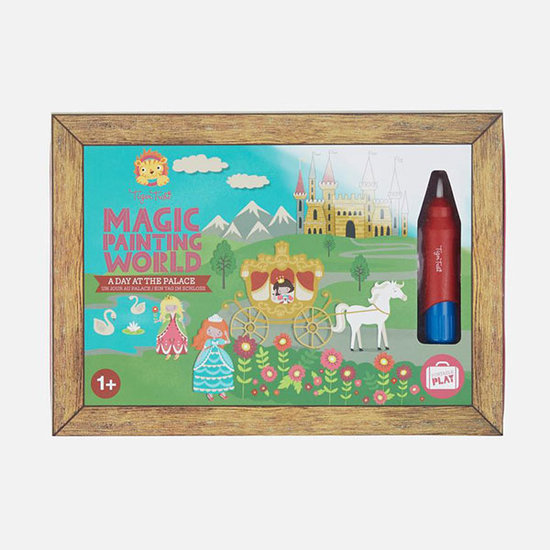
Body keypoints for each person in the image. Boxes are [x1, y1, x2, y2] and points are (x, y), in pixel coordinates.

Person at [191, 314, 234, 401]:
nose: (214, 333)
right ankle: (209, 392)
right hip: (208, 356)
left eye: (218, 332)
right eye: (210, 330)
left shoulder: (219, 340)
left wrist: (226, 337)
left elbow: (227, 341)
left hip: (219, 356)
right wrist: (201, 356)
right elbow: (204, 347)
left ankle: (221, 391)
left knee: (221, 371)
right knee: (208, 372)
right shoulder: (208, 341)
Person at [155, 295, 187, 360]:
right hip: (168, 328)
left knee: (178, 340)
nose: (170, 308)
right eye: (168, 307)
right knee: (166, 339)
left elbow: (181, 321)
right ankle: (168, 353)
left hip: (177, 328)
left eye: (173, 306)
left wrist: (183, 327)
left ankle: (177, 353)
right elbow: (162, 319)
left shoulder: (178, 315)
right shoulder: (166, 315)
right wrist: (158, 320)